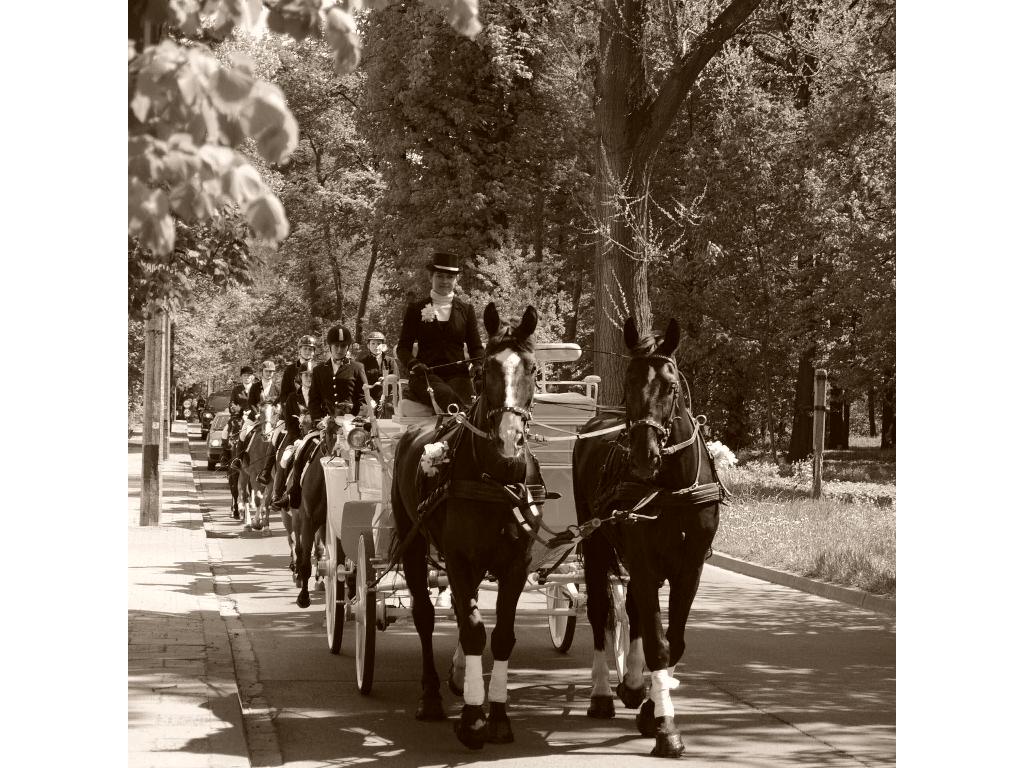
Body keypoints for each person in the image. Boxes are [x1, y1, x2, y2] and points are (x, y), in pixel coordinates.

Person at [396, 251, 484, 412]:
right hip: (426, 377)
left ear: (456, 280)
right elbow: (403, 348)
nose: (445, 281)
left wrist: (478, 365)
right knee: (448, 396)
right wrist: (413, 363)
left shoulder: (466, 310)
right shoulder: (415, 309)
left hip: (458, 377)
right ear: (431, 277)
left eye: (449, 277)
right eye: (440, 276)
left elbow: (476, 347)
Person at [268, 364, 313, 506]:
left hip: (316, 435)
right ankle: (278, 493)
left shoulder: (320, 395)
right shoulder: (293, 398)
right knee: (285, 459)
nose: (308, 378)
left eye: (311, 375)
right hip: (297, 436)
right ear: (300, 377)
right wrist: (298, 439)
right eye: (305, 375)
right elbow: (289, 424)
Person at [308, 325, 369, 421]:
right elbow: (313, 400)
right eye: (336, 345)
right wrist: (317, 420)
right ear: (330, 347)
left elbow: (363, 397)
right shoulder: (318, 370)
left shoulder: (357, 368)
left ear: (348, 347)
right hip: (325, 421)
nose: (339, 350)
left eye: (343, 346)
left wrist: (357, 417)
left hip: (351, 421)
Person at [359, 331, 396, 411]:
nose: (376, 346)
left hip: (388, 399)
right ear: (368, 346)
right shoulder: (362, 363)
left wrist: (387, 378)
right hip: (369, 400)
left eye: (379, 343)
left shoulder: (390, 361)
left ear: (383, 346)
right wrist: (369, 399)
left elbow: (397, 378)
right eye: (373, 343)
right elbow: (359, 384)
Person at [277, 335, 318, 407]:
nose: (307, 351)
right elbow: (284, 394)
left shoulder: (318, 369)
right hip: (294, 411)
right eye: (305, 348)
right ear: (299, 350)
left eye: (310, 349)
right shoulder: (290, 369)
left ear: (314, 352)